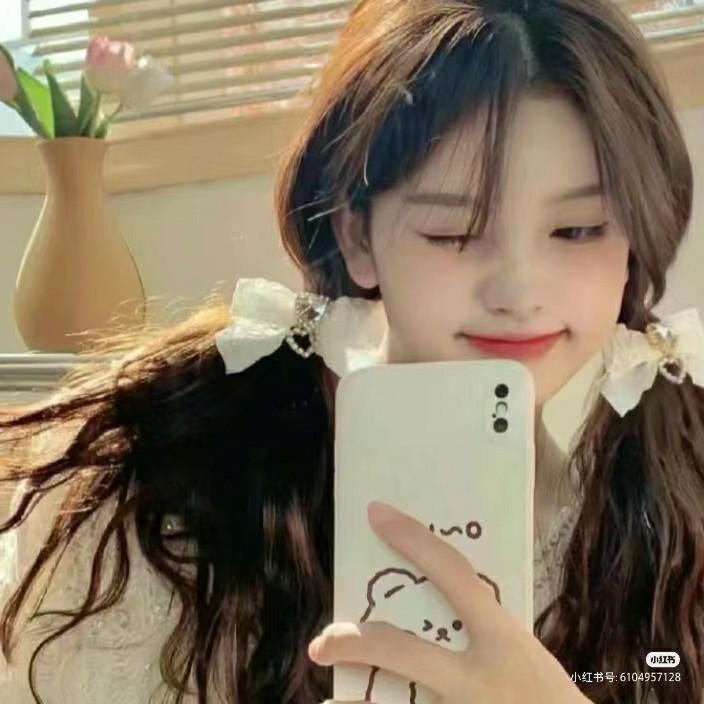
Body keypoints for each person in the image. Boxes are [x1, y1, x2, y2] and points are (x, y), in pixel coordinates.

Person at [0, 0, 702, 702]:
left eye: (578, 230)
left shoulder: (674, 512)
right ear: (356, 237)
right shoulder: (162, 491)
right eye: (454, 232)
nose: (520, 292)